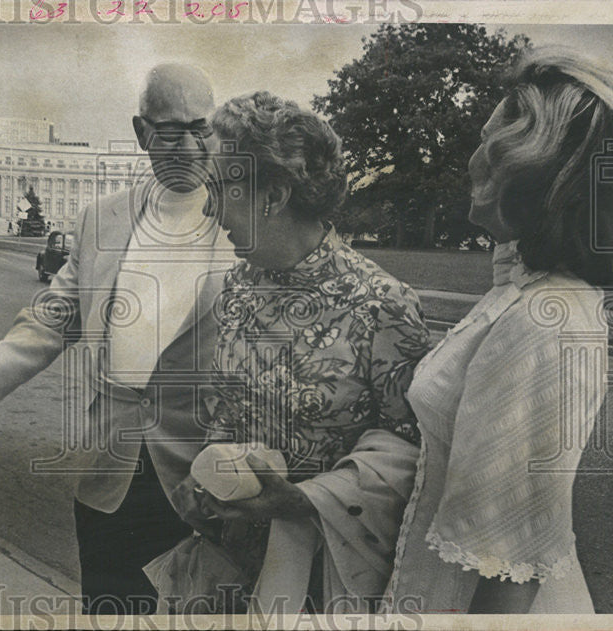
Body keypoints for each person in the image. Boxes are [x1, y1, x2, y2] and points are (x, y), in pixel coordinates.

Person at [0, 64, 233, 614]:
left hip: (206, 467)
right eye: (169, 131)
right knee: (112, 610)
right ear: (141, 133)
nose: (187, 145)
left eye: (199, 127)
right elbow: (55, 313)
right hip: (109, 466)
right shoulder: (100, 220)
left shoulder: (244, 217)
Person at [383, 46, 613, 614]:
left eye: (495, 154)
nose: (473, 163)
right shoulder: (526, 290)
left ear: (535, 175)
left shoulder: (544, 321)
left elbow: (507, 575)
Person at [170, 91, 433, 614]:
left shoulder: (382, 304)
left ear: (275, 192)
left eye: (221, 186)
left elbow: (414, 466)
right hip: (230, 564)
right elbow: (228, 417)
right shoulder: (237, 287)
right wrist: (200, 484)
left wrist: (302, 501)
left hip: (327, 578)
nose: (207, 205)